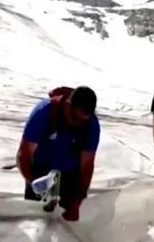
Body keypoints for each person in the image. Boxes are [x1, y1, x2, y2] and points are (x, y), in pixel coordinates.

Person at [16, 86, 101, 221]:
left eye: (83, 120)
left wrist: (78, 201)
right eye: (75, 118)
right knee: (35, 222)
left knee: (69, 220)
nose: (78, 123)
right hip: (40, 174)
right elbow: (24, 154)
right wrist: (32, 183)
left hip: (69, 175)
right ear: (68, 105)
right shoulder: (44, 112)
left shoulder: (90, 124)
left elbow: (87, 165)